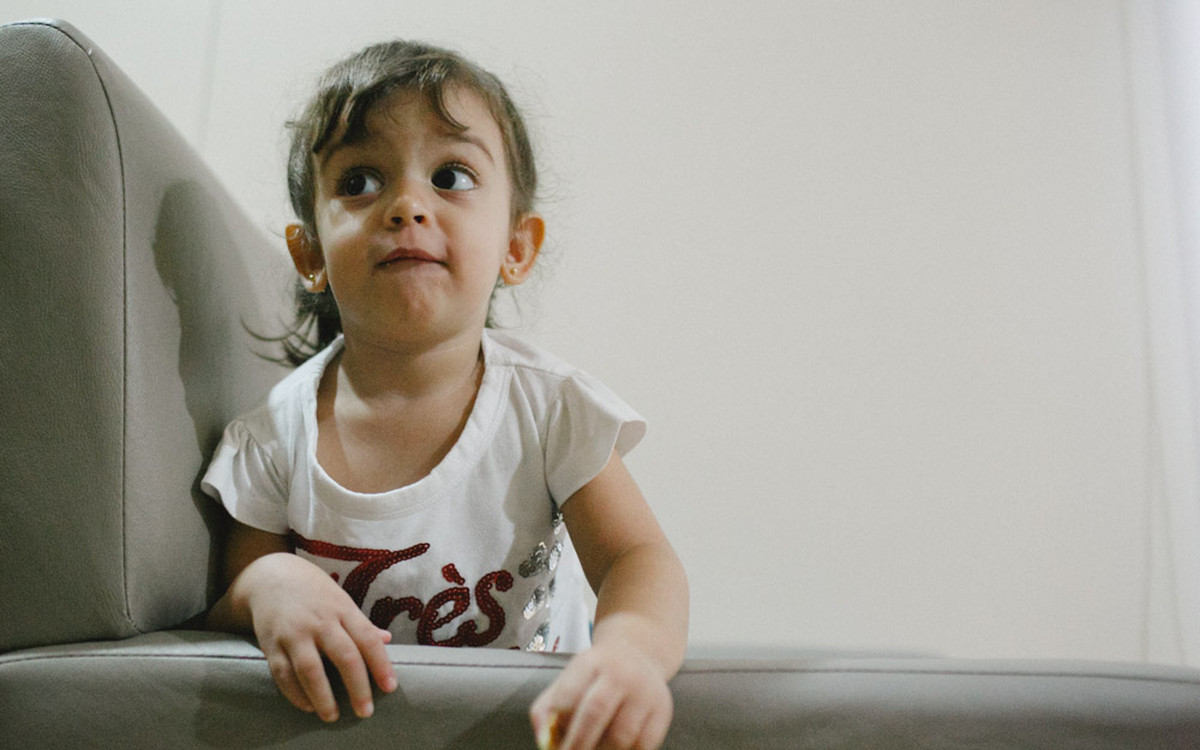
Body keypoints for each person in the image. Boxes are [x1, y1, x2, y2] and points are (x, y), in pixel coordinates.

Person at [201, 39, 689, 750]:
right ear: (309, 254)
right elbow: (232, 590)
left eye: (451, 175)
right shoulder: (271, 436)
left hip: (538, 723)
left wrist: (631, 652)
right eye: (361, 181)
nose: (406, 204)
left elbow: (638, 560)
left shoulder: (549, 408)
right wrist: (271, 583)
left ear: (515, 248)